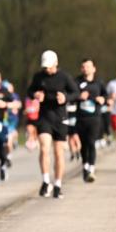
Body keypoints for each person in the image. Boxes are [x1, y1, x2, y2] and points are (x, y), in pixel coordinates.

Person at [26, 50, 79, 198]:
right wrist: (35, 95)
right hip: (44, 117)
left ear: (56, 63)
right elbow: (29, 91)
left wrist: (66, 97)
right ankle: (45, 181)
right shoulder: (39, 77)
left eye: (49, 67)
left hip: (60, 118)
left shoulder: (64, 77)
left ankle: (58, 184)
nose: (47, 69)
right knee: (44, 149)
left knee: (58, 153)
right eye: (45, 67)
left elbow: (76, 93)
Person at [74, 58, 107, 182]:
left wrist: (102, 100)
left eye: (88, 66)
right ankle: (85, 166)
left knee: (91, 142)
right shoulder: (77, 81)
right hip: (81, 117)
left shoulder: (99, 82)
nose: (85, 69)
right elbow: (71, 95)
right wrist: (79, 97)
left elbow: (105, 95)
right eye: (83, 66)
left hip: (95, 117)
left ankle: (91, 169)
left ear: (93, 68)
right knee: (83, 144)